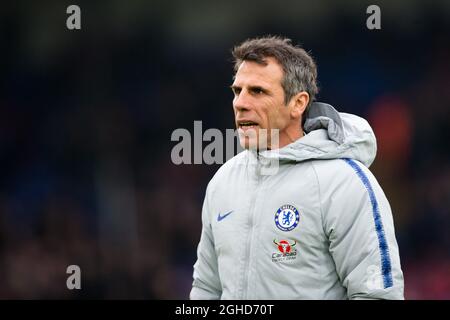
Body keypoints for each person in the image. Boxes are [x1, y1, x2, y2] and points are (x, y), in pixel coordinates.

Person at [190, 36, 404, 299]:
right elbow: (206, 289)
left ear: (298, 103)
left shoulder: (345, 184)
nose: (241, 103)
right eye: (237, 91)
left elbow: (378, 295)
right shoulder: (223, 181)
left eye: (257, 91)